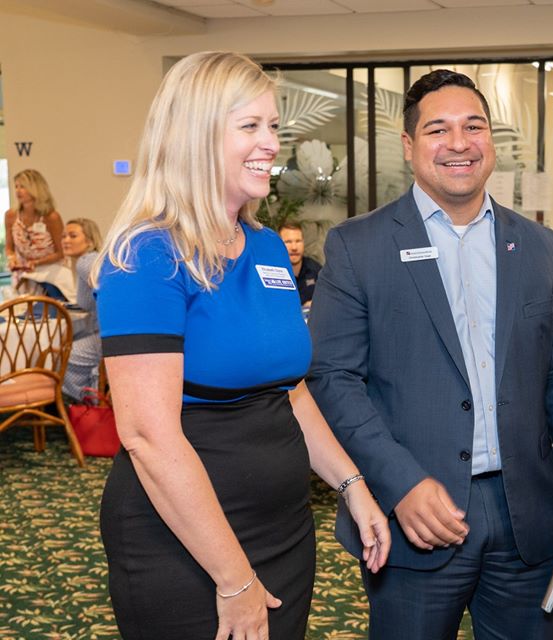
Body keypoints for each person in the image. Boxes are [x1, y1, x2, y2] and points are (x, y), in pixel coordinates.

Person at [92, 51, 390, 640]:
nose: (270, 144)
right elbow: (148, 437)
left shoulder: (267, 247)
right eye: (249, 127)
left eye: (274, 126)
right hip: (183, 541)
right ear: (195, 138)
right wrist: (233, 579)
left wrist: (352, 485)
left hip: (282, 528)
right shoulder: (147, 256)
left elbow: (290, 390)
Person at [308, 69, 553, 639]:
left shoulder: (539, 246)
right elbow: (332, 378)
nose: (458, 143)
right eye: (437, 129)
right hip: (417, 513)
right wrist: (400, 483)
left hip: (529, 512)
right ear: (409, 146)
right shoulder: (359, 245)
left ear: (490, 140)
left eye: (473, 126)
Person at [4, 169, 76, 302]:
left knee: (52, 312)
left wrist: (36, 262)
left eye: (23, 186)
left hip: (51, 273)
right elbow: (9, 247)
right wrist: (12, 258)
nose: (18, 191)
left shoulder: (51, 216)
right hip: (24, 274)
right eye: (16, 186)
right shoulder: (11, 215)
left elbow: (61, 252)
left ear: (35, 189)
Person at [61, 217, 103, 401]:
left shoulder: (86, 261)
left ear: (90, 241)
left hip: (108, 336)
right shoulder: (89, 261)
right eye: (64, 236)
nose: (66, 240)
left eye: (73, 235)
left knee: (64, 354)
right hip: (104, 331)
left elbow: (105, 284)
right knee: (71, 340)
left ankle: (84, 402)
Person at [279, 221, 322, 307]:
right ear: (279, 244)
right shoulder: (272, 273)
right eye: (288, 242)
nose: (294, 247)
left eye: (298, 241)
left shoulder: (316, 270)